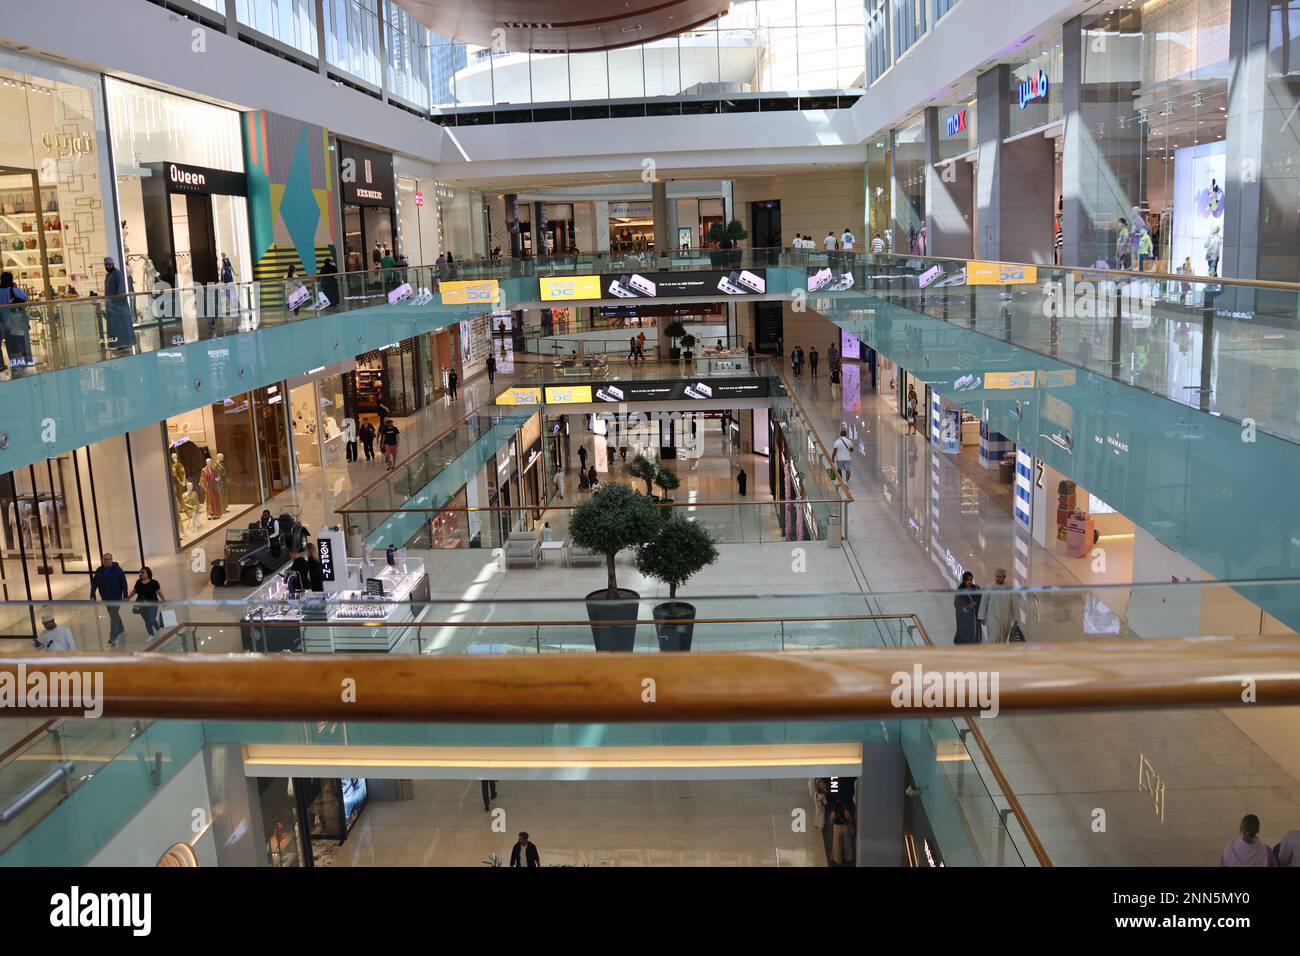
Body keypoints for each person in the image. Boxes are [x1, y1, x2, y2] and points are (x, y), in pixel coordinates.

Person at [90, 552, 129, 646]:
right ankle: (121, 629)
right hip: (105, 598)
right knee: (114, 615)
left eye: (108, 559)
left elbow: (124, 582)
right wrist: (92, 594)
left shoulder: (118, 570)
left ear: (112, 560)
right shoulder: (99, 570)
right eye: (104, 559)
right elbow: (94, 583)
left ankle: (113, 637)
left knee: (113, 615)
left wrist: (126, 595)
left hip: (116, 597)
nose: (106, 561)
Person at [103, 257, 135, 351]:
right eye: (106, 264)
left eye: (109, 264)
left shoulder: (117, 274)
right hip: (111, 305)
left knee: (122, 326)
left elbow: (120, 291)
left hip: (119, 305)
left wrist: (115, 304)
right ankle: (117, 343)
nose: (108, 266)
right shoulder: (108, 275)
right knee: (115, 326)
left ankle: (125, 343)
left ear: (113, 264)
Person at [0, 271, 32, 368]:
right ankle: (25, 361)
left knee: (10, 344)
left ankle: (14, 363)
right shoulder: (14, 290)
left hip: (3, 322)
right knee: (22, 342)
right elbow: (25, 298)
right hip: (16, 321)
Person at [979, 568, 1013, 643]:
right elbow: (984, 602)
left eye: (1000, 577)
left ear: (1004, 577)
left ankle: (1001, 654)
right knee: (994, 638)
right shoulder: (989, 587)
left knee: (1003, 639)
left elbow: (1013, 603)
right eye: (996, 576)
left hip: (1005, 618)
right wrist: (982, 617)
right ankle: (993, 653)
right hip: (992, 617)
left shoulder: (1009, 588)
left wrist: (1015, 618)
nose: (998, 578)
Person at [131, 566, 165, 637]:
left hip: (152, 603)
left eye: (143, 572)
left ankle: (154, 632)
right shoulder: (138, 582)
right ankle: (154, 631)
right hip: (141, 604)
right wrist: (127, 598)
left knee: (150, 618)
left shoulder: (154, 583)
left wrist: (164, 600)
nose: (141, 573)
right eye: (140, 572)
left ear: (148, 573)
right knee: (147, 620)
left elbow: (159, 592)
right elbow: (134, 591)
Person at [954, 571, 982, 644]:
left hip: (975, 619)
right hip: (965, 622)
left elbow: (981, 601)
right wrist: (968, 607)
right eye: (967, 580)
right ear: (964, 580)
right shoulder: (960, 591)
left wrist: (982, 616)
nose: (970, 581)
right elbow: (957, 606)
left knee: (976, 638)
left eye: (971, 579)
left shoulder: (976, 588)